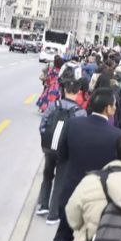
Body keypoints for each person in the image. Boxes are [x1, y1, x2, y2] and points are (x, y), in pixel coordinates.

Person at [49, 89, 121, 241]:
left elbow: (61, 156)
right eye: (114, 105)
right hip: (98, 201)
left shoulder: (73, 124)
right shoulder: (117, 136)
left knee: (63, 239)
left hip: (71, 193)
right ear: (108, 108)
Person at [37, 80, 87, 223]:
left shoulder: (54, 105)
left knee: (47, 175)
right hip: (65, 151)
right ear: (78, 93)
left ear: (64, 90)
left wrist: (46, 139)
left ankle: (43, 205)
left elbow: (43, 124)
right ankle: (53, 214)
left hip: (49, 147)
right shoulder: (80, 112)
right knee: (60, 179)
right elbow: (79, 135)